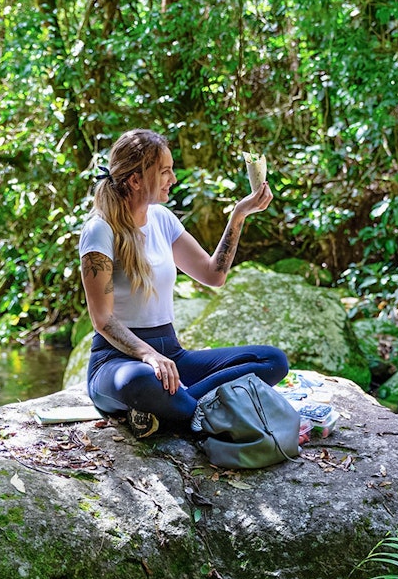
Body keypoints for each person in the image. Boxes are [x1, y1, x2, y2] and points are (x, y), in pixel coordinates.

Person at [78, 128, 288, 436]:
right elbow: (102, 319)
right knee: (143, 382)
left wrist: (238, 216)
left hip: (171, 356)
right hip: (117, 362)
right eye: (164, 172)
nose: (173, 179)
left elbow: (213, 275)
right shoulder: (99, 230)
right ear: (136, 180)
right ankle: (186, 404)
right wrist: (148, 354)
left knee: (272, 360)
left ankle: (176, 407)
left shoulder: (162, 219)